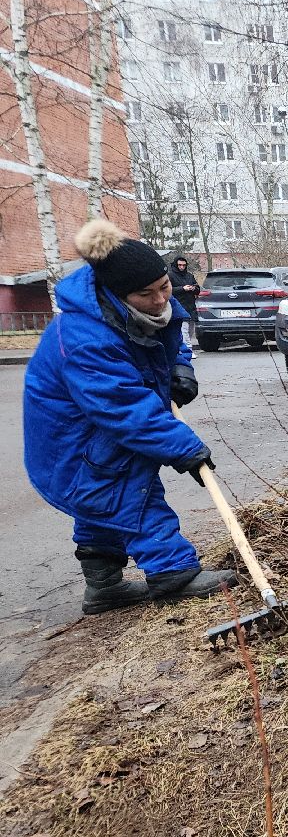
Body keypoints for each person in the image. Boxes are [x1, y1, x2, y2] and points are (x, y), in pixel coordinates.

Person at [23, 219, 238, 614]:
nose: (161, 301)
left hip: (100, 431)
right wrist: (184, 448)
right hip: (72, 441)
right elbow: (123, 407)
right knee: (127, 492)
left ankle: (103, 587)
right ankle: (173, 572)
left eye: (164, 287)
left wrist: (180, 371)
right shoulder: (83, 338)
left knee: (102, 500)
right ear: (116, 294)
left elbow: (169, 343)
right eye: (146, 294)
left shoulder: (145, 310)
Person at [167, 254, 201, 348]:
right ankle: (188, 348)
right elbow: (168, 290)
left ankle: (185, 347)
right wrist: (182, 288)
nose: (182, 267)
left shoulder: (189, 276)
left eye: (184, 265)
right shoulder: (170, 276)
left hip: (190, 305)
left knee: (190, 328)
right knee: (183, 328)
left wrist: (193, 288)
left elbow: (198, 289)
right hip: (178, 305)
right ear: (175, 265)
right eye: (179, 265)